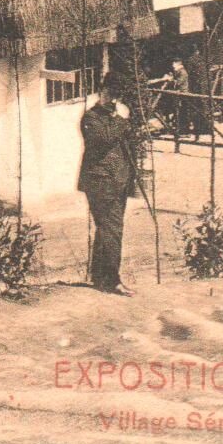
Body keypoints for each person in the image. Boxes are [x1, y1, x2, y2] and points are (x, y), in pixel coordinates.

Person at [78, 73, 137, 296]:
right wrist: (121, 119)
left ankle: (100, 277)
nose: (112, 99)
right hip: (100, 181)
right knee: (111, 229)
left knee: (108, 229)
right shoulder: (90, 118)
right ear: (101, 91)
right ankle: (112, 280)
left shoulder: (115, 116)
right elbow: (103, 140)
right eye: (109, 93)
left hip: (118, 181)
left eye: (116, 95)